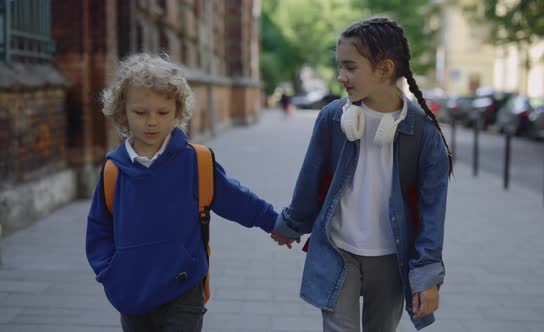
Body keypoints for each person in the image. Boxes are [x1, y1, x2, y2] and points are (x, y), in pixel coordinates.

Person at [271, 17, 452, 331]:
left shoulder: (424, 133)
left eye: (350, 67)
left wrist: (427, 275)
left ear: (384, 69)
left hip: (392, 256)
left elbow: (432, 212)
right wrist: (290, 225)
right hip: (337, 247)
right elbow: (310, 179)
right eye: (340, 67)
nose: (341, 76)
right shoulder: (332, 118)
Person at [85, 53, 279, 332]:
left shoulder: (195, 161)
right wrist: (109, 271)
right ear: (122, 112)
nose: (152, 122)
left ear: (177, 111)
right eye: (141, 112)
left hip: (183, 287)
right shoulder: (113, 169)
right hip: (131, 290)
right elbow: (98, 227)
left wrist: (275, 222)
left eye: (163, 113)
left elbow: (235, 198)